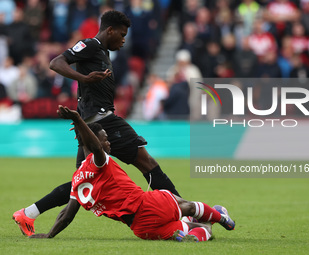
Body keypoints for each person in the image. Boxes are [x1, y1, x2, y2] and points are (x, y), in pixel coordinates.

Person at [12, 10, 180, 236]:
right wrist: (83, 79)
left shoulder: (100, 51)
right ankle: (184, 212)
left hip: (91, 124)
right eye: (121, 35)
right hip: (104, 122)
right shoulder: (90, 45)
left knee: (80, 183)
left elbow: (87, 90)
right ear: (109, 30)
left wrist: (82, 121)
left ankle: (28, 213)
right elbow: (56, 63)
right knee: (147, 163)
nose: (123, 40)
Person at [28, 105, 235, 242]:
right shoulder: (98, 161)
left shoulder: (77, 181)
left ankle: (194, 232)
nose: (109, 143)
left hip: (140, 228)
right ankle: (223, 219)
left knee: (191, 228)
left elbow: (67, 215)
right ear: (94, 142)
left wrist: (49, 236)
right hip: (148, 205)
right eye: (105, 138)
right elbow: (96, 148)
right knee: (186, 205)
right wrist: (77, 118)